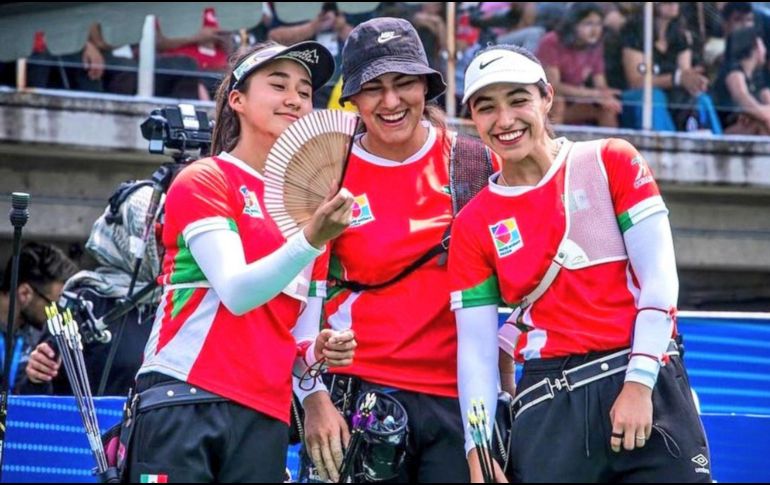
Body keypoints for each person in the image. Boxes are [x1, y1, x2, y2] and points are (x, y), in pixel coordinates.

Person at [450, 44, 712, 483]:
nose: (505, 120)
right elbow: (476, 352)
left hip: (643, 380)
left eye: (518, 100)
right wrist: (478, 451)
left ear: (547, 97)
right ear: (472, 117)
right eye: (486, 107)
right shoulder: (472, 223)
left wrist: (639, 383)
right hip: (550, 405)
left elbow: (660, 282)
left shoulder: (612, 160)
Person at [124, 40, 357, 482]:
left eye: (305, 91)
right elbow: (236, 291)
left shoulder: (314, 214)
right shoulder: (206, 178)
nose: (295, 99)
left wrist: (320, 355)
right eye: (278, 85)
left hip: (265, 414)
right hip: (185, 396)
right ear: (237, 100)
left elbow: (299, 336)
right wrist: (311, 238)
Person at [298, 17, 497, 483]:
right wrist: (312, 397)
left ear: (426, 87)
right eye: (373, 88)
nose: (390, 102)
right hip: (359, 398)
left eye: (404, 83)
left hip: (460, 402)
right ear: (352, 98)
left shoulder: (474, 163)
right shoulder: (329, 169)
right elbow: (302, 299)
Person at [18, 184, 163, 396]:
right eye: (156, 236)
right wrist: (36, 375)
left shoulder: (174, 301)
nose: (164, 246)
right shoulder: (83, 302)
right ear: (130, 239)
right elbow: (36, 394)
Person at [0, 242, 77, 390]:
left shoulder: (39, 336)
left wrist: (35, 380)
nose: (58, 315)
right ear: (25, 293)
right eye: (55, 305)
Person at [537, 2, 621, 127]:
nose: (595, 30)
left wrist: (607, 97)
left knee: (608, 108)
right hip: (543, 102)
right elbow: (553, 86)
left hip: (574, 101)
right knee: (558, 101)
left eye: (598, 24)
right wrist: (595, 94)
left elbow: (600, 84)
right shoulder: (552, 41)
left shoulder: (595, 45)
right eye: (588, 24)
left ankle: (613, 141)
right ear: (573, 25)